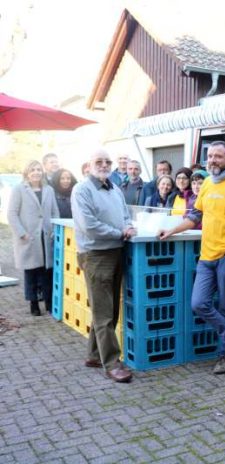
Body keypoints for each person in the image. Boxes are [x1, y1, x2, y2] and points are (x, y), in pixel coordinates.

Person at [159, 141, 225, 375]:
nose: (213, 160)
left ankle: (224, 357)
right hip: (207, 254)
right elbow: (195, 216)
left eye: (218, 156)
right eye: (210, 156)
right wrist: (171, 230)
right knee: (199, 303)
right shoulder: (206, 184)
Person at [72, 149, 136, 383]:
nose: (104, 165)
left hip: (116, 251)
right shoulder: (82, 190)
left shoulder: (114, 188)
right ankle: (112, 363)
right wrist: (119, 233)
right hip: (96, 254)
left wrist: (128, 227)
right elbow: (89, 226)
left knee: (109, 310)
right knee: (103, 313)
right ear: (89, 165)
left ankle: (93, 355)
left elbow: (125, 215)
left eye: (107, 161)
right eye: (98, 161)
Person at [7, 160, 60, 316]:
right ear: (27, 173)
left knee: (47, 271)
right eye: (32, 170)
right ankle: (33, 303)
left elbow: (55, 212)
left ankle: (49, 302)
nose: (36, 172)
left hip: (46, 236)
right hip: (28, 237)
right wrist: (22, 233)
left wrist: (54, 231)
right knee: (31, 271)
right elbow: (11, 214)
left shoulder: (49, 190)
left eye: (38, 169)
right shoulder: (19, 189)